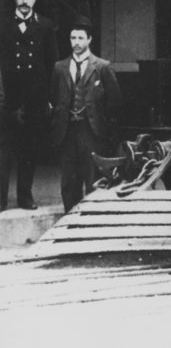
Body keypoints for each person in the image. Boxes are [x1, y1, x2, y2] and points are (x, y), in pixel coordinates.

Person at [49, 18, 122, 213]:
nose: (76, 42)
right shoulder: (59, 67)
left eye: (81, 38)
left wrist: (106, 129)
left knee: (93, 179)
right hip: (67, 130)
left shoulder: (102, 67)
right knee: (69, 181)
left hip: (92, 131)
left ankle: (91, 219)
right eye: (73, 38)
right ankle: (69, 220)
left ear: (89, 39)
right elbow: (53, 98)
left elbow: (115, 102)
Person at [0, 0, 58, 211]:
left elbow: (52, 62)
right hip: (8, 100)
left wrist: (49, 99)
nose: (25, 1)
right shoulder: (3, 24)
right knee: (3, 151)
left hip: (35, 99)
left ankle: (25, 196)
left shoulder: (45, 26)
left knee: (29, 149)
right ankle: (1, 199)